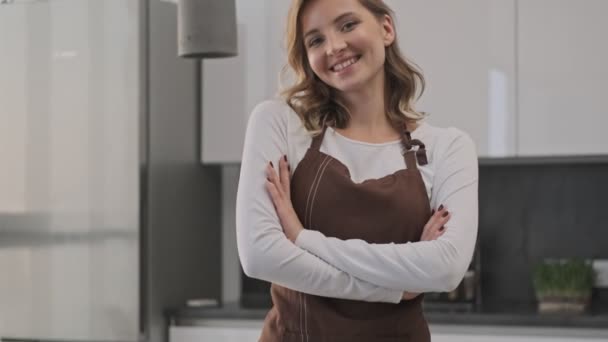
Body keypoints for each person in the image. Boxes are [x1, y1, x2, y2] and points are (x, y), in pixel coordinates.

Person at [236, 0, 479, 340]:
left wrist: (302, 239)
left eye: (348, 25)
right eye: (315, 40)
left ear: (386, 29)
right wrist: (399, 289)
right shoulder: (279, 125)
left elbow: (447, 268)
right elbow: (260, 256)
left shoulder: (447, 147)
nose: (334, 47)